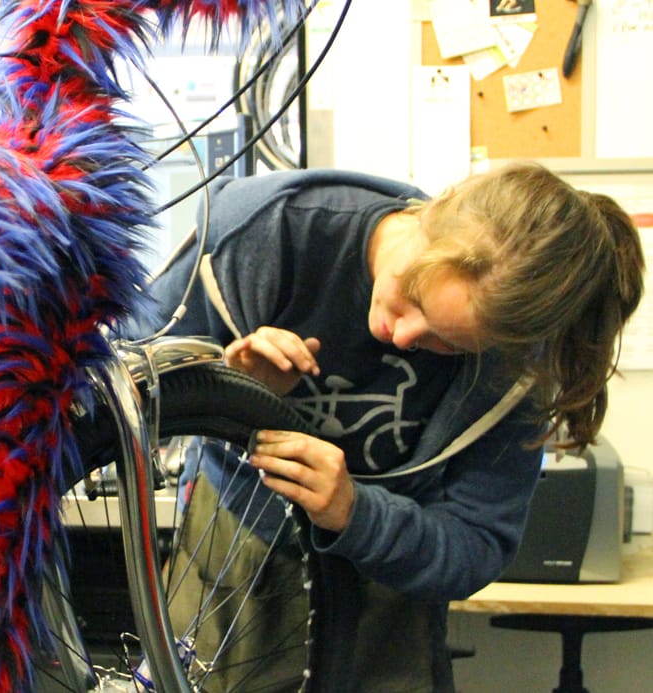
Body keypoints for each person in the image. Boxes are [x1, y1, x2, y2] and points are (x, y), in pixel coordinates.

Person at [127, 163, 645, 691]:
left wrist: (355, 513)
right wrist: (226, 385)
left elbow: (476, 545)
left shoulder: (515, 361)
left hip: (391, 574)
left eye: (449, 343)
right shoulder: (267, 233)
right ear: (430, 213)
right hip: (237, 556)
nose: (397, 334)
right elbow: (117, 378)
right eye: (414, 299)